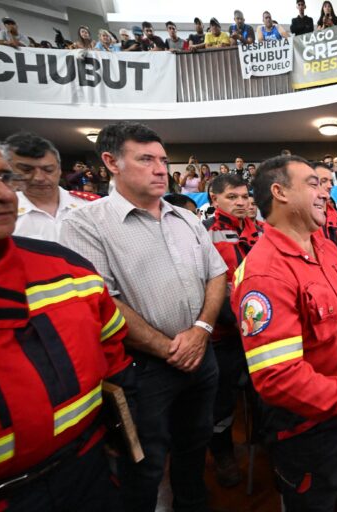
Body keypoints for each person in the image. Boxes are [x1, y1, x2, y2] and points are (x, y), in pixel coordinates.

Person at [59, 122, 226, 512]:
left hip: (202, 357)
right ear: (110, 163)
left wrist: (201, 330)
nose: (159, 169)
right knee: (145, 465)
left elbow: (216, 274)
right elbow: (103, 301)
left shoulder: (185, 218)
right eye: (146, 159)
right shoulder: (86, 225)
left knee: (194, 445)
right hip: (145, 369)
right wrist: (168, 347)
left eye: (163, 160)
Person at [232, 155, 337, 511]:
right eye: (313, 183)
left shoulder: (323, 246)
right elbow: (278, 379)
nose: (326, 191)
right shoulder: (263, 274)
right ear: (279, 193)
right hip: (308, 428)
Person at [0, 125, 134, 511]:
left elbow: (113, 349)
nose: (1, 193)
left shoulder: (69, 266)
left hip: (87, 466)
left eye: (2, 177)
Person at [206, 174, 261, 487]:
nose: (241, 203)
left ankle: (268, 439)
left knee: (268, 393)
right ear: (214, 199)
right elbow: (208, 287)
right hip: (224, 336)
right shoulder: (205, 234)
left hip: (262, 333)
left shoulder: (263, 231)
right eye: (232, 197)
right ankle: (223, 452)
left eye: (244, 196)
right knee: (222, 403)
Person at [4, 132, 93, 242]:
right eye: (26, 170)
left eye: (48, 170)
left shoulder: (89, 206)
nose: (39, 178)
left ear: (59, 170)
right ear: (8, 170)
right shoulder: (0, 213)